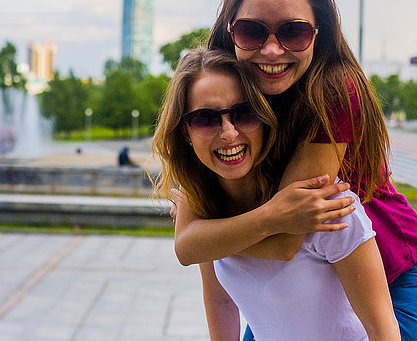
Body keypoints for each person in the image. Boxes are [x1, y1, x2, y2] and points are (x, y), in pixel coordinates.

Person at [173, 0, 417, 340]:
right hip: (307, 271)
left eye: (294, 32)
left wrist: (213, 233)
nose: (271, 51)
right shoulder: (219, 92)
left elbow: (288, 236)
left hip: (392, 263)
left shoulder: (335, 90)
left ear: (318, 34)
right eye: (252, 31)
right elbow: (190, 247)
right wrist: (207, 233)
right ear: (230, 31)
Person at [152, 48, 399, 340]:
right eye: (205, 119)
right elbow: (219, 300)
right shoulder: (208, 210)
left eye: (244, 113)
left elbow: (381, 328)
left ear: (265, 118)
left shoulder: (325, 207)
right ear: (185, 133)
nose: (229, 133)